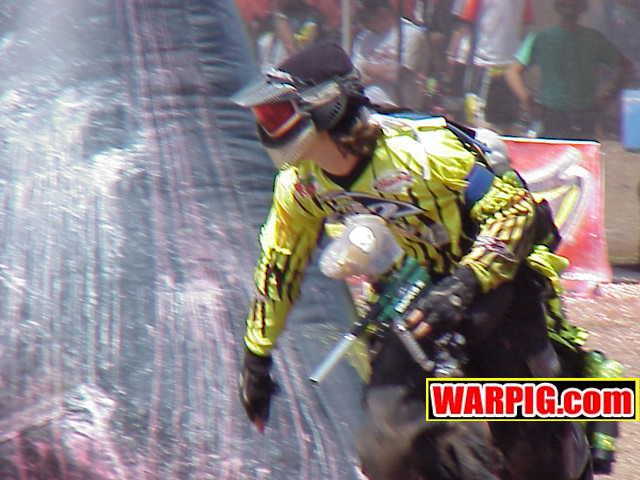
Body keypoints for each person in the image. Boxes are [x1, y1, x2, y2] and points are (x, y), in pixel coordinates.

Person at [232, 41, 599, 479]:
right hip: (422, 285)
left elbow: (517, 212)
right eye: (266, 117)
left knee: (532, 450)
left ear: (327, 106)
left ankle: (571, 436)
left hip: (498, 281)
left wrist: (465, 284)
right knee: (386, 444)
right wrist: (256, 356)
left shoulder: (422, 150)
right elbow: (279, 266)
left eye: (277, 114)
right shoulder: (299, 186)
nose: (269, 127)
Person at [505, 0, 626, 141]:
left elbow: (512, 72)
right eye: (566, 3)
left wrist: (528, 101)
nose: (570, 7)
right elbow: (512, 72)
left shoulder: (592, 39)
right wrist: (528, 101)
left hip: (580, 114)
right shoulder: (541, 38)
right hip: (556, 115)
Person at [449, 0, 534, 132]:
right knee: (485, 124)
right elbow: (466, 23)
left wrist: (453, 55)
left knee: (500, 124)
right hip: (491, 63)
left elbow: (526, 23)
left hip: (501, 66)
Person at [351, 0, 428, 109]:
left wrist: (367, 68)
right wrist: (383, 70)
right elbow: (356, 78)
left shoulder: (411, 34)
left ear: (382, 12)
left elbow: (399, 75)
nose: (362, 23)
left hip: (399, 108)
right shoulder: (363, 38)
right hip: (366, 105)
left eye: (364, 17)